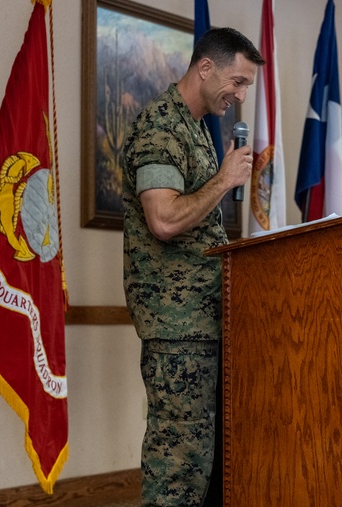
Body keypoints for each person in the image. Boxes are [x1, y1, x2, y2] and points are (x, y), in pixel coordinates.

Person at [122, 27, 264, 506]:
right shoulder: (161, 125)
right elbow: (162, 219)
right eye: (238, 82)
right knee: (178, 467)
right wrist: (224, 180)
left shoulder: (194, 127)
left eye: (246, 86)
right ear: (205, 67)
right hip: (176, 325)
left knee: (203, 467)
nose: (241, 96)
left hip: (204, 321)